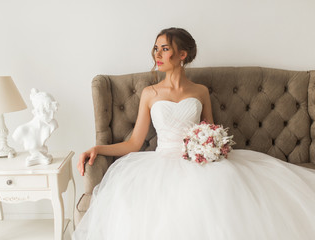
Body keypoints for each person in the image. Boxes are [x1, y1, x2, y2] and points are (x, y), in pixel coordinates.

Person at [73, 28, 315, 240]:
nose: (157, 54)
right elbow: (135, 142)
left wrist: (213, 146)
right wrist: (97, 148)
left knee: (226, 191)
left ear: (182, 55)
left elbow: (211, 131)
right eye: (155, 48)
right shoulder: (150, 93)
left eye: (164, 48)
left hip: (200, 162)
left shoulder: (200, 91)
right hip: (160, 165)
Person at [13, 88, 59, 166]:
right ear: (38, 110)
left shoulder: (52, 125)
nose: (52, 115)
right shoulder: (22, 130)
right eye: (47, 110)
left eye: (52, 110)